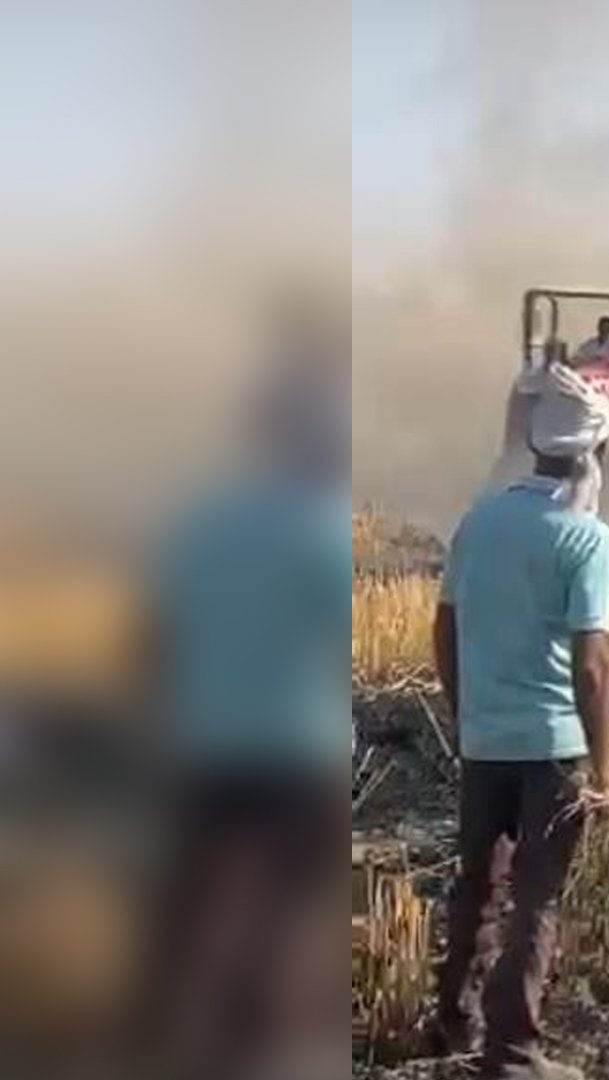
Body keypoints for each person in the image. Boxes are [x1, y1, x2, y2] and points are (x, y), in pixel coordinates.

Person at [139, 303, 351, 1080]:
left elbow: (159, 637)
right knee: (288, 914)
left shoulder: (201, 523)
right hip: (295, 749)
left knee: (192, 901)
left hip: (201, 739)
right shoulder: (321, 531)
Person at [429, 367, 609, 1080]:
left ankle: (452, 1022)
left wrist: (466, 716)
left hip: (485, 742)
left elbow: (444, 627)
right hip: (552, 750)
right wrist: (605, 772)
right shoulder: (588, 539)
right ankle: (511, 1055)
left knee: (475, 885)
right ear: (593, 454)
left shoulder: (479, 521)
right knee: (537, 899)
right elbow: (593, 666)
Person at [568, 315, 609, 402]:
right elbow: (579, 355)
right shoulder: (590, 343)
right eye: (602, 327)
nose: (604, 330)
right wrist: (575, 362)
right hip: (589, 374)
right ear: (598, 327)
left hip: (607, 375)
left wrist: (597, 360)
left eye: (607, 327)